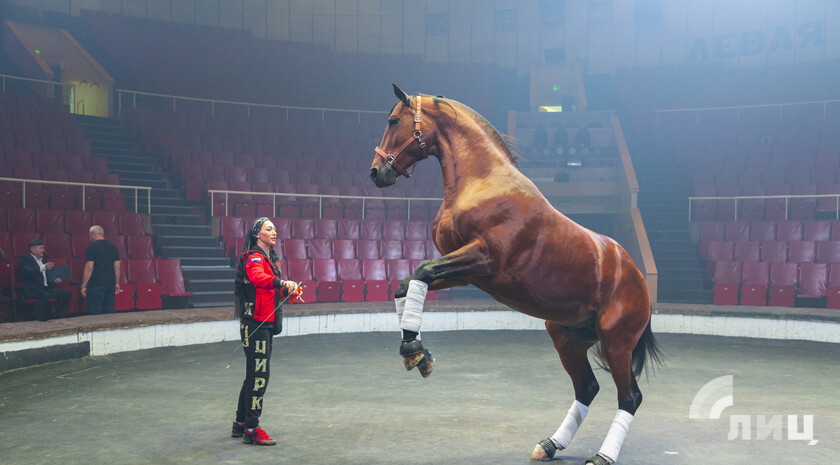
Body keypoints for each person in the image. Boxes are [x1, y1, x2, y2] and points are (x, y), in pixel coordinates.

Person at [231, 217, 302, 446]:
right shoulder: (254, 257)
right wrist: (282, 283)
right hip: (256, 326)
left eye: (274, 228)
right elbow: (258, 278)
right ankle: (252, 429)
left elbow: (268, 291)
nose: (274, 231)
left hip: (261, 323)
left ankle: (241, 424)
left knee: (253, 375)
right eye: (268, 228)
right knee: (260, 376)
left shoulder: (271, 259)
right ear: (257, 234)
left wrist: (287, 291)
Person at [17, 240, 71, 321]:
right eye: (40, 248)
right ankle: (38, 318)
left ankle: (58, 316)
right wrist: (43, 267)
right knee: (43, 294)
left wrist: (54, 280)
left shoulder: (43, 260)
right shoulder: (25, 259)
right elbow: (28, 272)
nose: (43, 250)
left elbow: (47, 277)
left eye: (43, 248)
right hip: (32, 289)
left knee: (66, 294)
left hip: (45, 288)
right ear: (32, 249)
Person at [80, 225, 120, 315]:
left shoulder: (91, 247)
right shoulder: (113, 247)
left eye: (90, 235)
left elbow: (89, 267)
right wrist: (117, 283)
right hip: (110, 283)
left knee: (94, 312)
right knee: (109, 312)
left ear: (93, 234)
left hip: (96, 284)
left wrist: (84, 285)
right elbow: (117, 267)